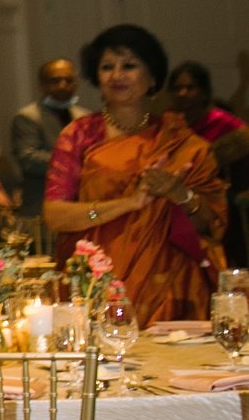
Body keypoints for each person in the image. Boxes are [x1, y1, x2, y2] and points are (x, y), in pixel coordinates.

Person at [42, 23, 226, 329]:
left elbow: (212, 225)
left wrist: (180, 194)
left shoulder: (182, 143)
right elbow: (55, 215)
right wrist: (129, 203)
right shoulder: (79, 135)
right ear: (95, 77)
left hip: (169, 283)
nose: (117, 75)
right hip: (98, 279)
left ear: (152, 77)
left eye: (129, 65)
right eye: (107, 67)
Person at [169, 60, 249, 267]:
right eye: (178, 88)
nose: (183, 93)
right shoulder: (169, 125)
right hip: (176, 202)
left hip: (218, 203)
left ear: (204, 92)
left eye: (190, 87)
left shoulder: (221, 122)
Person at [10, 58, 84, 221]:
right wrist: (76, 161)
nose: (62, 85)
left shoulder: (84, 116)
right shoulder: (28, 117)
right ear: (42, 84)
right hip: (41, 210)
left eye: (68, 80)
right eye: (55, 80)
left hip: (81, 208)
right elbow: (28, 159)